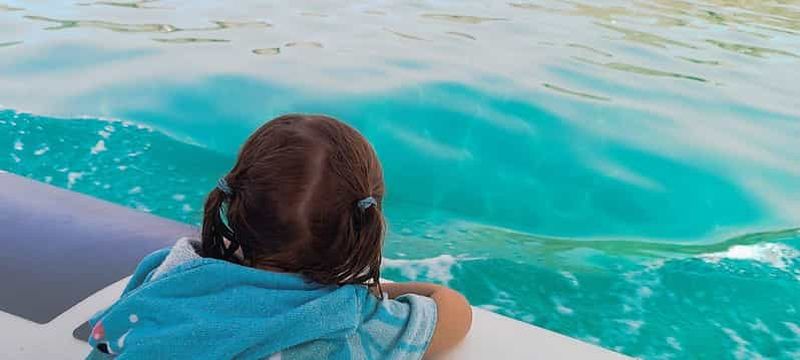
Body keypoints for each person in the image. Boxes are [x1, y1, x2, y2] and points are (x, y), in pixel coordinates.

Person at [87, 114, 472, 359]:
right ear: (364, 226)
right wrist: (377, 291)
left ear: (234, 201)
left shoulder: (169, 270)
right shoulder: (350, 321)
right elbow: (455, 310)